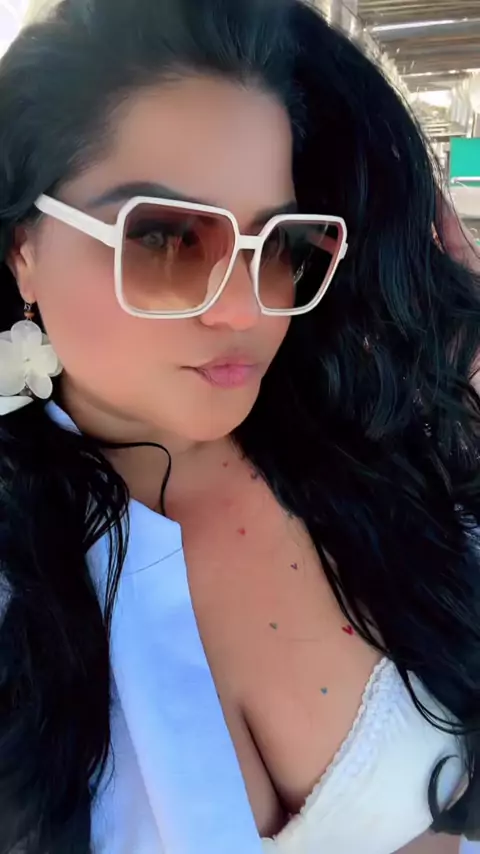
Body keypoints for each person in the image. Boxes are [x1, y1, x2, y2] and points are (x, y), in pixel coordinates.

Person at [0, 1, 479, 852]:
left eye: (279, 243)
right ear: (23, 249)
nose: (244, 309)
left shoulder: (381, 442)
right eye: (166, 238)